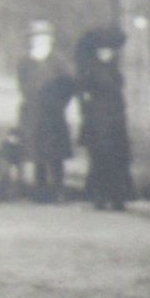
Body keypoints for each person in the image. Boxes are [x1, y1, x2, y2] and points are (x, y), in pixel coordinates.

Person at [75, 26, 135, 211]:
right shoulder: (89, 70)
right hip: (98, 119)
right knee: (101, 157)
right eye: (102, 50)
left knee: (118, 157)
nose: (106, 54)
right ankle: (101, 196)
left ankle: (118, 196)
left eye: (109, 50)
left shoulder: (113, 68)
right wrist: (89, 112)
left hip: (115, 119)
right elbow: (83, 95)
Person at [16, 21, 74, 202]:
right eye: (35, 37)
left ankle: (58, 189)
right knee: (37, 152)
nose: (40, 40)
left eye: (44, 36)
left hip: (53, 112)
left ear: (50, 39)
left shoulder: (58, 59)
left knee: (56, 153)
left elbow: (69, 83)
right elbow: (22, 84)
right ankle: (40, 191)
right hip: (34, 111)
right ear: (30, 39)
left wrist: (60, 102)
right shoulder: (25, 61)